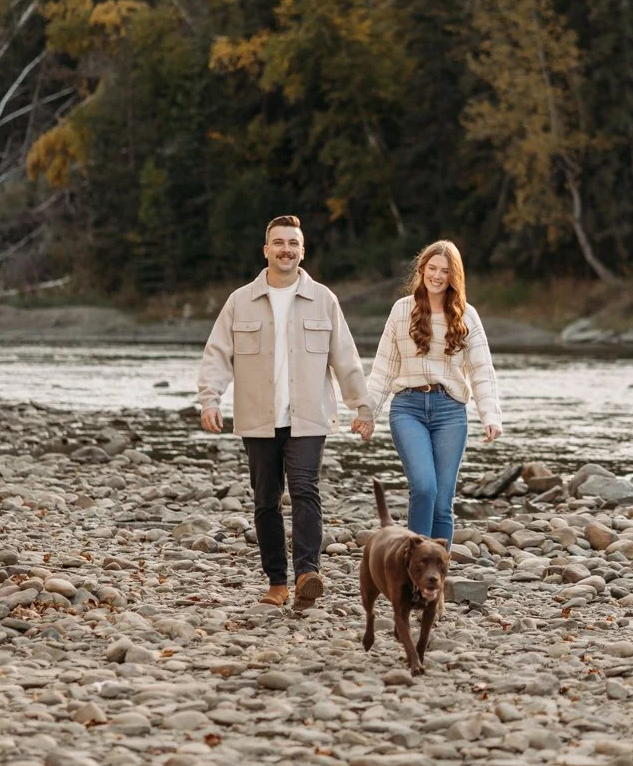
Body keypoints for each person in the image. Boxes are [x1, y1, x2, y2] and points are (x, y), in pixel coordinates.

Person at [197, 215, 373, 608]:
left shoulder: (323, 299)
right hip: (258, 417)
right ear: (266, 250)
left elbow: (344, 356)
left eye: (293, 243)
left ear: (303, 251)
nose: (286, 249)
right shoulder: (240, 300)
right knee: (266, 500)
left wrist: (362, 405)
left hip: (308, 415)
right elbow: (217, 354)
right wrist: (211, 399)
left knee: (305, 490)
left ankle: (308, 573)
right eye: (279, 242)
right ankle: (277, 581)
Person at [354, 240, 501, 542]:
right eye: (432, 268)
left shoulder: (466, 315)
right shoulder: (401, 310)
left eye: (445, 271)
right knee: (423, 487)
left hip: (450, 411)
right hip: (408, 408)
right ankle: (412, 568)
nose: (437, 276)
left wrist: (490, 415)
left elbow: (481, 370)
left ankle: (436, 579)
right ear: (421, 270)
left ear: (453, 276)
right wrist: (367, 414)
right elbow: (383, 368)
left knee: (443, 502)